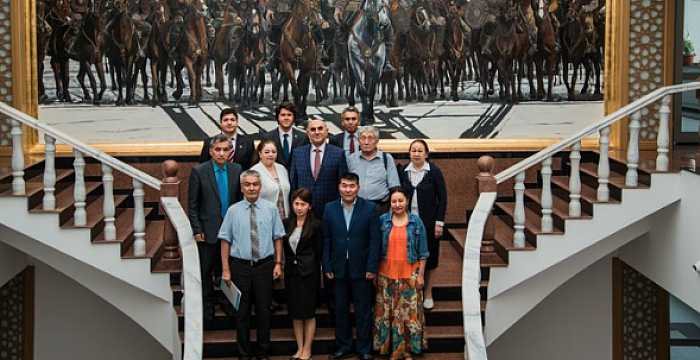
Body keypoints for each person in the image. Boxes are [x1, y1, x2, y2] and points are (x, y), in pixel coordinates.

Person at [219, 170, 285, 360]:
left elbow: (278, 238)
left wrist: (278, 263)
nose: (251, 187)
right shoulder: (233, 211)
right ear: (241, 187)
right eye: (247, 184)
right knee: (242, 313)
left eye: (255, 184)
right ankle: (244, 353)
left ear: (260, 186)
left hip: (265, 266)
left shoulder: (271, 209)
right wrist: (225, 270)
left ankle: (263, 351)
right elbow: (225, 241)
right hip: (240, 268)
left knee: (264, 311)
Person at [322, 173, 381, 360]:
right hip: (337, 268)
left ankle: (364, 348)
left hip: (362, 269)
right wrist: (327, 265)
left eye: (352, 186)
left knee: (363, 311)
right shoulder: (329, 208)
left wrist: (372, 267)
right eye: (344, 185)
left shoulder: (370, 209)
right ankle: (344, 346)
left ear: (358, 187)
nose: (348, 189)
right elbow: (326, 239)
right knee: (340, 310)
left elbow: (375, 241)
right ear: (339, 187)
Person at [187, 133, 243, 324]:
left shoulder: (237, 170)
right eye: (217, 149)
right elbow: (192, 205)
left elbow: (240, 202)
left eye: (225, 149)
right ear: (211, 151)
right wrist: (196, 229)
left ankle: (228, 304)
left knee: (228, 271)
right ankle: (207, 308)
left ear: (230, 152)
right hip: (208, 232)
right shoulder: (199, 171)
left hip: (232, 233)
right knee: (206, 271)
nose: (221, 153)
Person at [373, 188, 429, 359]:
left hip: (409, 276)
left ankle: (407, 351)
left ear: (407, 201)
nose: (397, 204)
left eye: (400, 201)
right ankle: (388, 348)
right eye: (394, 201)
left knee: (408, 314)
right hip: (386, 275)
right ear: (390, 203)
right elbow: (375, 249)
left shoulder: (416, 222)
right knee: (386, 313)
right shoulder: (382, 221)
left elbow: (423, 253)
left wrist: (420, 275)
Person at [398, 139, 447, 309]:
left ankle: (428, 292)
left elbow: (443, 198)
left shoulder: (434, 172)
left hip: (429, 222)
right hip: (406, 222)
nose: (416, 154)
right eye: (413, 150)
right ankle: (411, 292)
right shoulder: (403, 171)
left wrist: (439, 222)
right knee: (408, 255)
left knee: (429, 257)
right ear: (409, 153)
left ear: (426, 154)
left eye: (420, 151)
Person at [283, 188, 323, 360]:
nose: (299, 208)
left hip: (309, 274)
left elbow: (319, 251)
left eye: (303, 204)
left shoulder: (316, 225)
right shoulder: (286, 223)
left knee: (308, 312)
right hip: (292, 274)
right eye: (296, 204)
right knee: (295, 312)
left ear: (310, 206)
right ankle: (299, 347)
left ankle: (307, 348)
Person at [289, 118, 348, 219]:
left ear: (327, 131)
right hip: (303, 212)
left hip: (330, 212)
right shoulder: (297, 153)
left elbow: (342, 183)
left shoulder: (338, 153)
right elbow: (294, 184)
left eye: (320, 129)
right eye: (313, 129)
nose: (317, 132)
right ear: (308, 133)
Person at [346, 126, 400, 213]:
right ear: (358, 141)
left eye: (370, 138)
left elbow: (394, 187)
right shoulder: (351, 159)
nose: (366, 142)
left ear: (377, 141)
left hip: (380, 207)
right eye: (363, 138)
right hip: (355, 207)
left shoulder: (386, 158)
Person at [251, 139, 291, 220]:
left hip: (285, 218)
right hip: (264, 219)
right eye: (267, 152)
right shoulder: (254, 171)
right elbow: (250, 199)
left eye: (273, 152)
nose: (270, 154)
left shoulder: (282, 169)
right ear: (260, 154)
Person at [260, 102, 309, 169]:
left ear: (294, 117)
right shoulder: (267, 137)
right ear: (278, 117)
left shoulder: (303, 137)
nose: (286, 118)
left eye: (289, 115)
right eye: (283, 115)